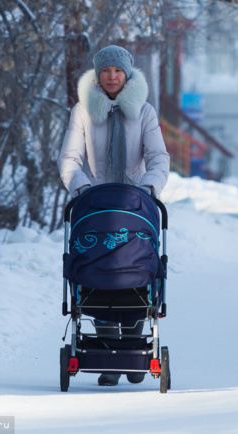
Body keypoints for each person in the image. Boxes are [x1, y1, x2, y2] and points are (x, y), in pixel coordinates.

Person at [57, 45, 170, 387]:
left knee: (134, 274)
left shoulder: (144, 111)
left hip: (135, 203)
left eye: (117, 71)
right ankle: (108, 348)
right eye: (105, 71)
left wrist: (148, 189)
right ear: (97, 74)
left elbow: (159, 158)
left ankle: (133, 343)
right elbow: (70, 158)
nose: (111, 77)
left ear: (128, 74)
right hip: (96, 202)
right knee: (98, 274)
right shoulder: (83, 111)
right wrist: (81, 189)